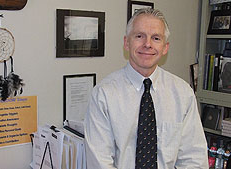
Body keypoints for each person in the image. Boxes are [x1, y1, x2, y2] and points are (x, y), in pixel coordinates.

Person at [84, 8, 208, 169]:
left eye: (156, 38)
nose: (147, 44)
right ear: (126, 43)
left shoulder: (183, 93)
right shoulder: (103, 94)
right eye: (139, 36)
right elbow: (99, 162)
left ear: (165, 47)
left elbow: (194, 158)